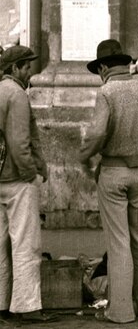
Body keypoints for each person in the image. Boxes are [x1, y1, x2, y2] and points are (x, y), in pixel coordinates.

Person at [79, 39, 138, 323]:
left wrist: (85, 156)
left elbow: (96, 135)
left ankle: (120, 311)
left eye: (99, 70)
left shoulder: (106, 92)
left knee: (119, 242)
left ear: (105, 67)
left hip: (113, 172)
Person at [0, 46, 58, 323]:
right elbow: (19, 143)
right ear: (14, 69)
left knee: (0, 246)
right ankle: (27, 306)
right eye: (25, 67)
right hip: (16, 179)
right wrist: (29, 173)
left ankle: (1, 303)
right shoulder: (16, 94)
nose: (29, 72)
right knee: (25, 245)